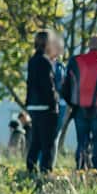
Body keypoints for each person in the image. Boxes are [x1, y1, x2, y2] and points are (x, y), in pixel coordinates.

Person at [62, 35, 97, 171]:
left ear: (89, 46)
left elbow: (64, 88)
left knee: (82, 142)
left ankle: (81, 170)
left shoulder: (74, 61)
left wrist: (73, 104)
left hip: (79, 110)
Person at [24, 29, 59, 176]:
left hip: (33, 105)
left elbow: (30, 83)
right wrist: (54, 103)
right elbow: (48, 86)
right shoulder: (45, 62)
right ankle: (46, 171)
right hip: (45, 106)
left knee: (35, 141)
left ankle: (30, 168)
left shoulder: (32, 61)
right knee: (47, 142)